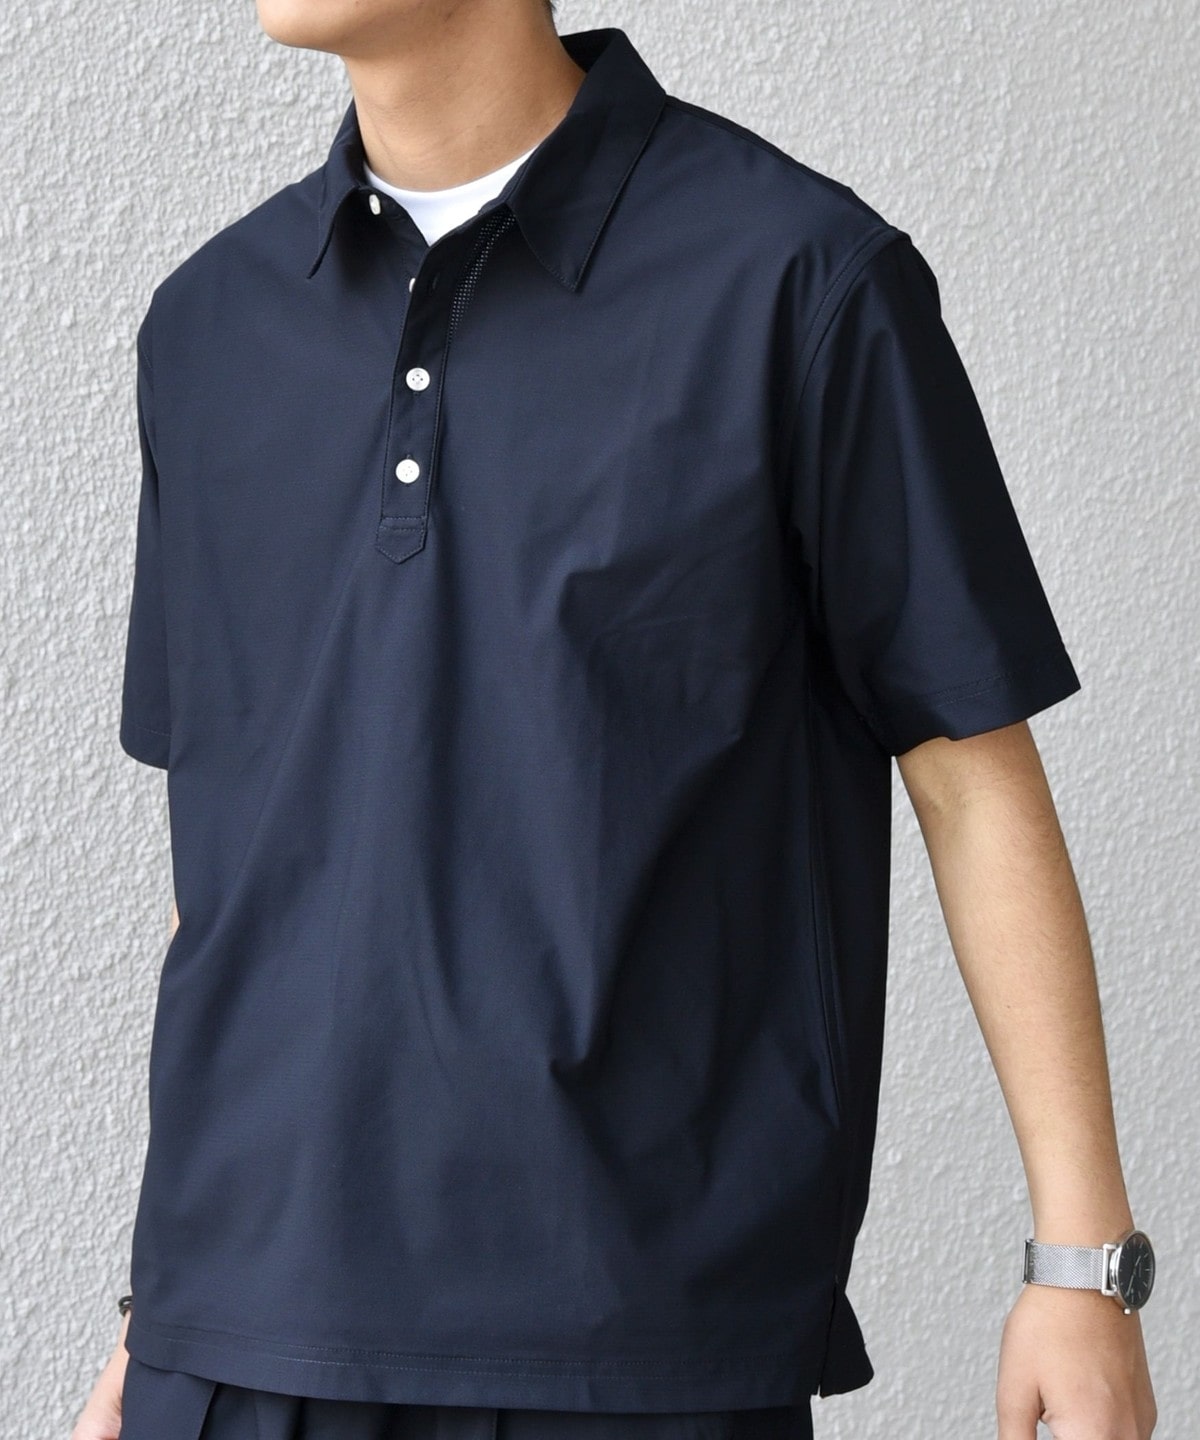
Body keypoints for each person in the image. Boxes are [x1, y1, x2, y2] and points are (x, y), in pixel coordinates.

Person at [74, 2, 1158, 1437]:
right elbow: (226, 866)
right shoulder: (207, 328)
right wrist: (155, 1307)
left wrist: (1082, 1266)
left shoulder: (799, 281)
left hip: (630, 1350)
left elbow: (970, 777)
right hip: (233, 1345)